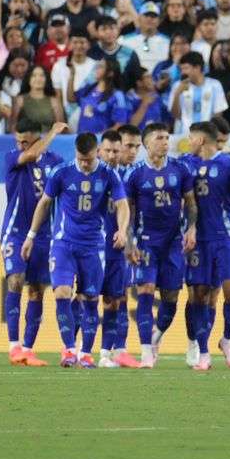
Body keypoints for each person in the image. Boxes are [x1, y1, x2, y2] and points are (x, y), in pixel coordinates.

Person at [20, 130, 129, 369]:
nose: (84, 163)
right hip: (64, 244)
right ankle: (69, 350)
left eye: (88, 159)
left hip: (93, 246)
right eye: (81, 159)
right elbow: (45, 203)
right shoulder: (62, 172)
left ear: (97, 152)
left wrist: (122, 230)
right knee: (61, 293)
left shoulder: (108, 175)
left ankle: (86, 353)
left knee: (90, 299)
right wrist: (31, 236)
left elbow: (122, 204)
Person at [184, 121, 230, 371]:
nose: (189, 141)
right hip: (199, 241)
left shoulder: (228, 163)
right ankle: (203, 352)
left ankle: (226, 339)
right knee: (201, 295)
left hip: (226, 237)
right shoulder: (187, 163)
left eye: (192, 138)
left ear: (201, 140)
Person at [125, 122, 198, 368]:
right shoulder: (135, 174)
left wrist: (191, 227)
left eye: (167, 137)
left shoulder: (180, 169)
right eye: (160, 137)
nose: (166, 142)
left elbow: (190, 202)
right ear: (147, 144)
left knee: (171, 297)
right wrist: (129, 240)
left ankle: (157, 335)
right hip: (146, 242)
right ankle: (146, 351)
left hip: (174, 242)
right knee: (145, 290)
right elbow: (127, 210)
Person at [2, 120, 68, 366]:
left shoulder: (57, 162)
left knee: (37, 290)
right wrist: (52, 132)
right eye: (18, 140)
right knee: (15, 280)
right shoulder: (12, 158)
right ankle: (13, 346)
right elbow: (31, 155)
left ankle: (28, 350)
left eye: (25, 140)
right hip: (16, 231)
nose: (20, 145)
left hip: (45, 234)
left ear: (35, 137)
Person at [95, 129, 140, 368]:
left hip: (118, 244)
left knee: (119, 297)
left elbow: (131, 214)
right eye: (127, 146)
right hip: (92, 244)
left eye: (135, 147)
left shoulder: (130, 175)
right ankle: (71, 347)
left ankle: (115, 350)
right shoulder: (93, 173)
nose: (131, 151)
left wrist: (131, 243)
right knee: (87, 296)